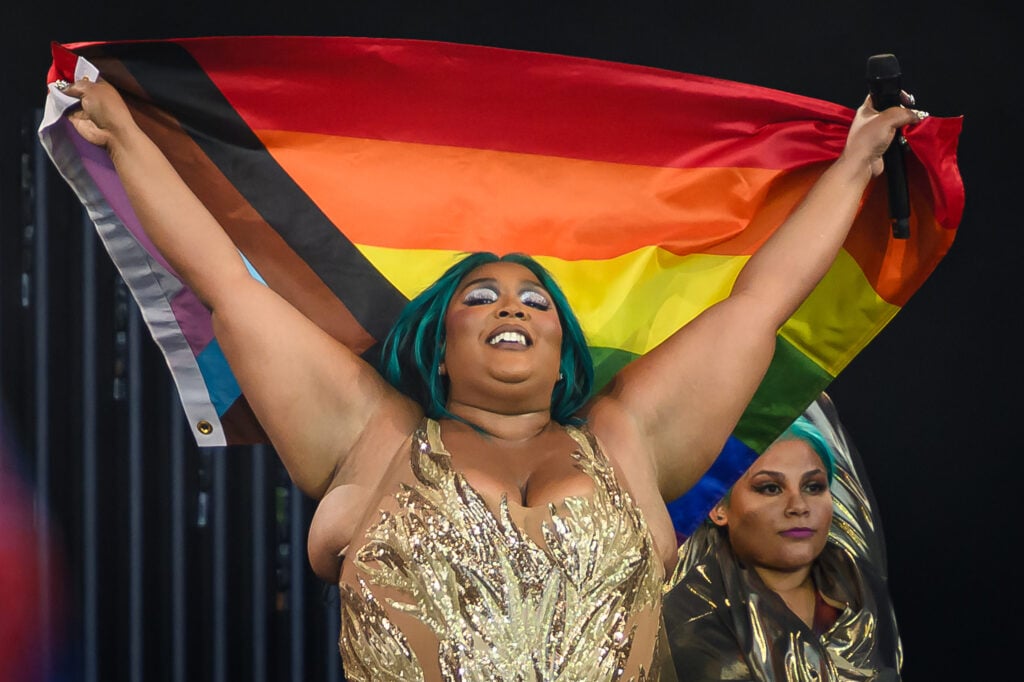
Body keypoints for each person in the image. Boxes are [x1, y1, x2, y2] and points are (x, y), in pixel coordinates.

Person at [60, 72, 919, 680]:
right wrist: (130, 137)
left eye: (536, 303)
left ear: (563, 355)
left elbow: (758, 303)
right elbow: (225, 281)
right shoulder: (372, 440)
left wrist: (855, 165)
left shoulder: (625, 441)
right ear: (439, 345)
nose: (514, 308)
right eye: (483, 296)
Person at [663, 394, 903, 681]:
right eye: (770, 488)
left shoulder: (861, 594)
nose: (798, 506)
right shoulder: (691, 620)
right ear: (718, 507)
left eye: (813, 487)